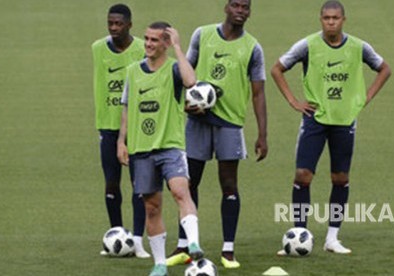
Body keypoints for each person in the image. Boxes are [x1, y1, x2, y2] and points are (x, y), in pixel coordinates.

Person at [271, 0, 391, 254]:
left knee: (340, 178)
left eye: (335, 18)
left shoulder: (359, 47)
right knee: (303, 175)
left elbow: (384, 69)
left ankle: (332, 238)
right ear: (321, 20)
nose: (331, 22)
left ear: (343, 20)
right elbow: (277, 69)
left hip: (344, 120)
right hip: (314, 120)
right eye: (326, 18)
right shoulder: (308, 45)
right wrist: (293, 101)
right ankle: (300, 234)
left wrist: (365, 97)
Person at [167, 0, 268, 269]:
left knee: (229, 184)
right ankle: (185, 246)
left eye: (245, 7)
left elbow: (258, 92)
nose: (240, 11)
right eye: (236, 5)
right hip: (197, 121)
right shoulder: (203, 34)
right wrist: (186, 102)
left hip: (230, 124)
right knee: (189, 184)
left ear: (249, 11)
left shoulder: (253, 48)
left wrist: (262, 134)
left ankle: (228, 250)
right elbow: (184, 71)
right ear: (226, 7)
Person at [117, 21, 204, 276]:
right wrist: (121, 141)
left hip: (170, 146)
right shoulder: (133, 71)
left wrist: (178, 47)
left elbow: (191, 81)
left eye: (155, 40)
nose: (148, 44)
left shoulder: (175, 70)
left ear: (165, 43)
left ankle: (193, 243)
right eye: (146, 39)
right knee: (151, 207)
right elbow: (126, 108)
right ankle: (160, 264)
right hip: (141, 150)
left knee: (180, 190)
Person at [91, 3, 150, 258]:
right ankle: (115, 234)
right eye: (110, 23)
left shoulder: (141, 50)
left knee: (140, 185)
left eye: (118, 24)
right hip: (108, 126)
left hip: (137, 128)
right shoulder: (97, 49)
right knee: (111, 183)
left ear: (129, 24)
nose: (113, 28)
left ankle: (137, 241)